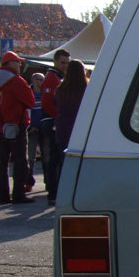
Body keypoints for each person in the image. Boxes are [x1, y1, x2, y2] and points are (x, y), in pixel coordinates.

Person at [0, 51, 36, 204]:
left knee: (2, 162)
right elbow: (30, 101)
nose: (20, 64)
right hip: (16, 125)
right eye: (17, 62)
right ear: (9, 63)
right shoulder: (16, 81)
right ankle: (18, 194)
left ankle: (3, 196)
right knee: (21, 162)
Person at [53, 60, 88, 198]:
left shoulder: (60, 89)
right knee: (82, 165)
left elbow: (55, 105)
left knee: (64, 164)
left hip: (63, 127)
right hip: (81, 128)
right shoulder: (87, 88)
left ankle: (63, 194)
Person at [40, 49, 70, 206]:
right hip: (52, 121)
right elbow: (46, 103)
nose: (65, 66)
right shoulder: (52, 78)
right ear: (55, 61)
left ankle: (54, 190)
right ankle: (53, 191)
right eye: (63, 63)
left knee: (55, 157)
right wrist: (60, 118)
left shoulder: (56, 77)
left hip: (53, 120)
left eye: (67, 63)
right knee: (55, 158)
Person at [26, 72, 45, 192]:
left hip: (44, 128)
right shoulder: (28, 92)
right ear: (33, 80)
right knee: (30, 158)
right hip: (32, 130)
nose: (41, 82)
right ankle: (28, 183)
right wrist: (29, 126)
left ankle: (49, 183)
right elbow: (25, 110)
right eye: (39, 79)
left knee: (47, 158)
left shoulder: (46, 93)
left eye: (43, 79)